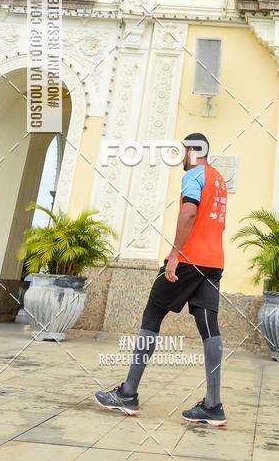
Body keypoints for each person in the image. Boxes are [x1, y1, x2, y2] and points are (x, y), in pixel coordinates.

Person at [94, 132, 228, 426]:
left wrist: (175, 253)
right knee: (209, 328)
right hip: (213, 261)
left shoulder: (195, 174)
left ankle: (127, 394)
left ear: (194, 151)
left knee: (152, 313)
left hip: (189, 258)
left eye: (184, 151)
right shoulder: (218, 179)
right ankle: (213, 406)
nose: (182, 157)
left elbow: (189, 212)